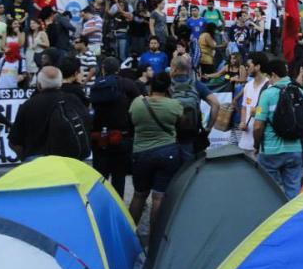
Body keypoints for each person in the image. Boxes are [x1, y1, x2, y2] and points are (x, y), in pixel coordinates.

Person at [128, 71, 184, 230]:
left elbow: (132, 120)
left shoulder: (137, 103)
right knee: (159, 197)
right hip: (167, 152)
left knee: (139, 195)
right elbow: (180, 123)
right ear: (168, 87)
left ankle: (130, 233)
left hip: (141, 153)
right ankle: (155, 238)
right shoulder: (175, 105)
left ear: (150, 85)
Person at [8, 66, 91, 161]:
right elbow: (88, 123)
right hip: (68, 159)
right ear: (60, 83)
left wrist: (25, 158)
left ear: (39, 85)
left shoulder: (28, 105)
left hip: (37, 159)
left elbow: (13, 141)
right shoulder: (73, 99)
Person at [88, 57, 141, 197]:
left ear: (103, 70)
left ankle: (99, 208)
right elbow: (140, 103)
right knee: (119, 177)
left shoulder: (96, 86)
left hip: (99, 137)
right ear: (118, 69)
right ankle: (118, 208)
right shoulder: (127, 84)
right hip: (121, 136)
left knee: (100, 177)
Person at [254, 58, 303, 199]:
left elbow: (258, 125)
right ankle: (293, 219)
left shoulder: (266, 94)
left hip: (270, 151)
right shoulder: (300, 91)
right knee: (294, 192)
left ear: (273, 75)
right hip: (295, 149)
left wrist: (256, 144)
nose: (268, 80)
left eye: (268, 76)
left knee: (271, 193)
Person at [169, 55, 219, 160]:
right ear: (188, 69)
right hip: (191, 134)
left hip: (169, 136)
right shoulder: (196, 85)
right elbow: (216, 104)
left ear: (174, 68)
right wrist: (208, 129)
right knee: (190, 169)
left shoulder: (167, 85)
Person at [237, 51, 269, 153]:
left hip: (260, 143)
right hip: (245, 141)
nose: (246, 68)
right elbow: (244, 107)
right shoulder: (248, 85)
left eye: (248, 65)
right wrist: (242, 122)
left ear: (258, 67)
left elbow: (268, 111)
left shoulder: (269, 86)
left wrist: (258, 112)